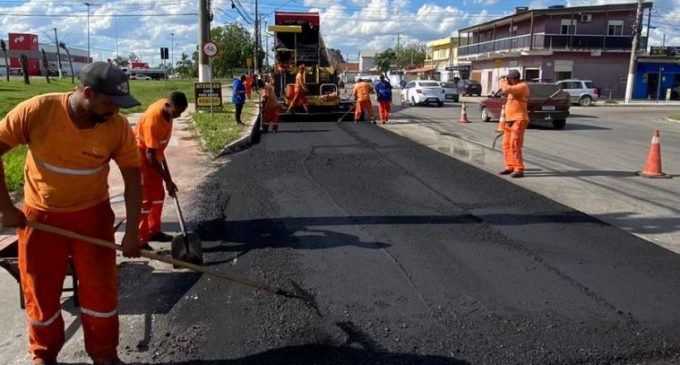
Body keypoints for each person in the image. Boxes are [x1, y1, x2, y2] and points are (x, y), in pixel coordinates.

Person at [0, 61, 143, 365]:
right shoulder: (38, 111)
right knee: (40, 292)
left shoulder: (116, 127)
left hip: (92, 218)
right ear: (88, 93)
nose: (116, 111)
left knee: (100, 292)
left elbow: (133, 178)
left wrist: (133, 232)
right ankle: (44, 355)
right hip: (40, 219)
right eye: (110, 102)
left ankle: (105, 355)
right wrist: (6, 208)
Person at [135, 92, 188, 250]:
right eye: (176, 112)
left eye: (181, 112)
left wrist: (168, 178)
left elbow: (158, 149)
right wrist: (167, 180)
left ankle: (153, 231)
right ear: (168, 105)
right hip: (141, 157)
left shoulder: (169, 112)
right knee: (145, 200)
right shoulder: (153, 120)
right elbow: (150, 155)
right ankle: (140, 238)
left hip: (153, 154)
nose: (178, 116)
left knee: (158, 196)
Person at [498, 69, 530, 178]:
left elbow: (507, 89)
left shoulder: (522, 87)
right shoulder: (514, 88)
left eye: (509, 79)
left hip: (519, 119)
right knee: (506, 144)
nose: (508, 81)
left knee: (514, 144)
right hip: (509, 120)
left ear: (514, 79)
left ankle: (519, 168)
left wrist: (502, 81)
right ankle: (509, 166)